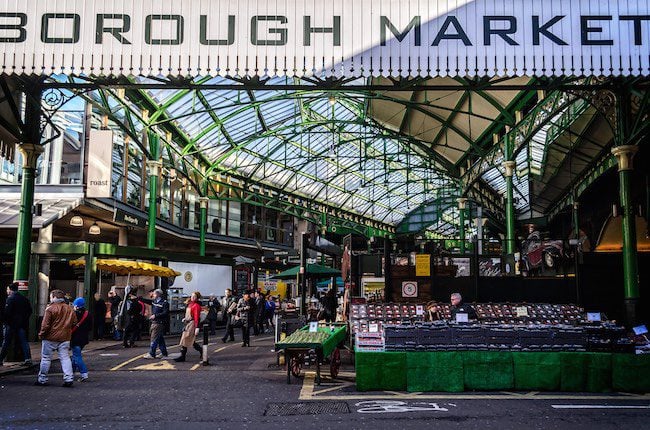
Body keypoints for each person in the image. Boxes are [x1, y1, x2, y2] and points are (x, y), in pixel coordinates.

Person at [36, 289, 76, 387]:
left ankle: (42, 379)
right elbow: (74, 322)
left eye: (50, 297)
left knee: (46, 358)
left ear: (54, 297)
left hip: (50, 337)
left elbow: (45, 325)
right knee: (65, 358)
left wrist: (41, 334)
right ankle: (69, 378)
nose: (50, 299)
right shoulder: (70, 308)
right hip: (65, 337)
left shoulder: (50, 309)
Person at [0, 282, 33, 366]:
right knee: (24, 342)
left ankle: (1, 359)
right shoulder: (24, 299)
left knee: (6, 342)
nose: (7, 291)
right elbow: (29, 311)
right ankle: (28, 359)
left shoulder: (10, 299)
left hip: (11, 324)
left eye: (7, 289)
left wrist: (5, 322)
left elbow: (7, 312)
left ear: (10, 290)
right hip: (22, 324)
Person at [175, 291, 203, 362]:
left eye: (194, 296)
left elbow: (196, 317)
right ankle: (202, 351)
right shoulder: (190, 304)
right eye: (192, 296)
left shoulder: (196, 306)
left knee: (186, 338)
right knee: (190, 340)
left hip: (192, 324)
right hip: (188, 323)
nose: (192, 297)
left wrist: (197, 327)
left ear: (197, 298)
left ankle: (182, 356)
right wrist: (185, 319)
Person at [70, 298, 91, 382]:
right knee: (75, 356)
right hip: (84, 338)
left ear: (76, 305)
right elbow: (90, 327)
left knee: (77, 356)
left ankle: (84, 373)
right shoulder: (88, 314)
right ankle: (70, 372)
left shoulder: (73, 314)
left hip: (75, 338)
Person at [144, 289, 169, 359]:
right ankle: (164, 353)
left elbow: (165, 313)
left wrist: (156, 315)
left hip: (159, 322)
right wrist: (138, 298)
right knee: (160, 338)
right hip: (155, 322)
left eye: (154, 294)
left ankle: (152, 353)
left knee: (154, 338)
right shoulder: (154, 302)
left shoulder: (164, 303)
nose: (152, 295)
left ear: (158, 294)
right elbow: (147, 301)